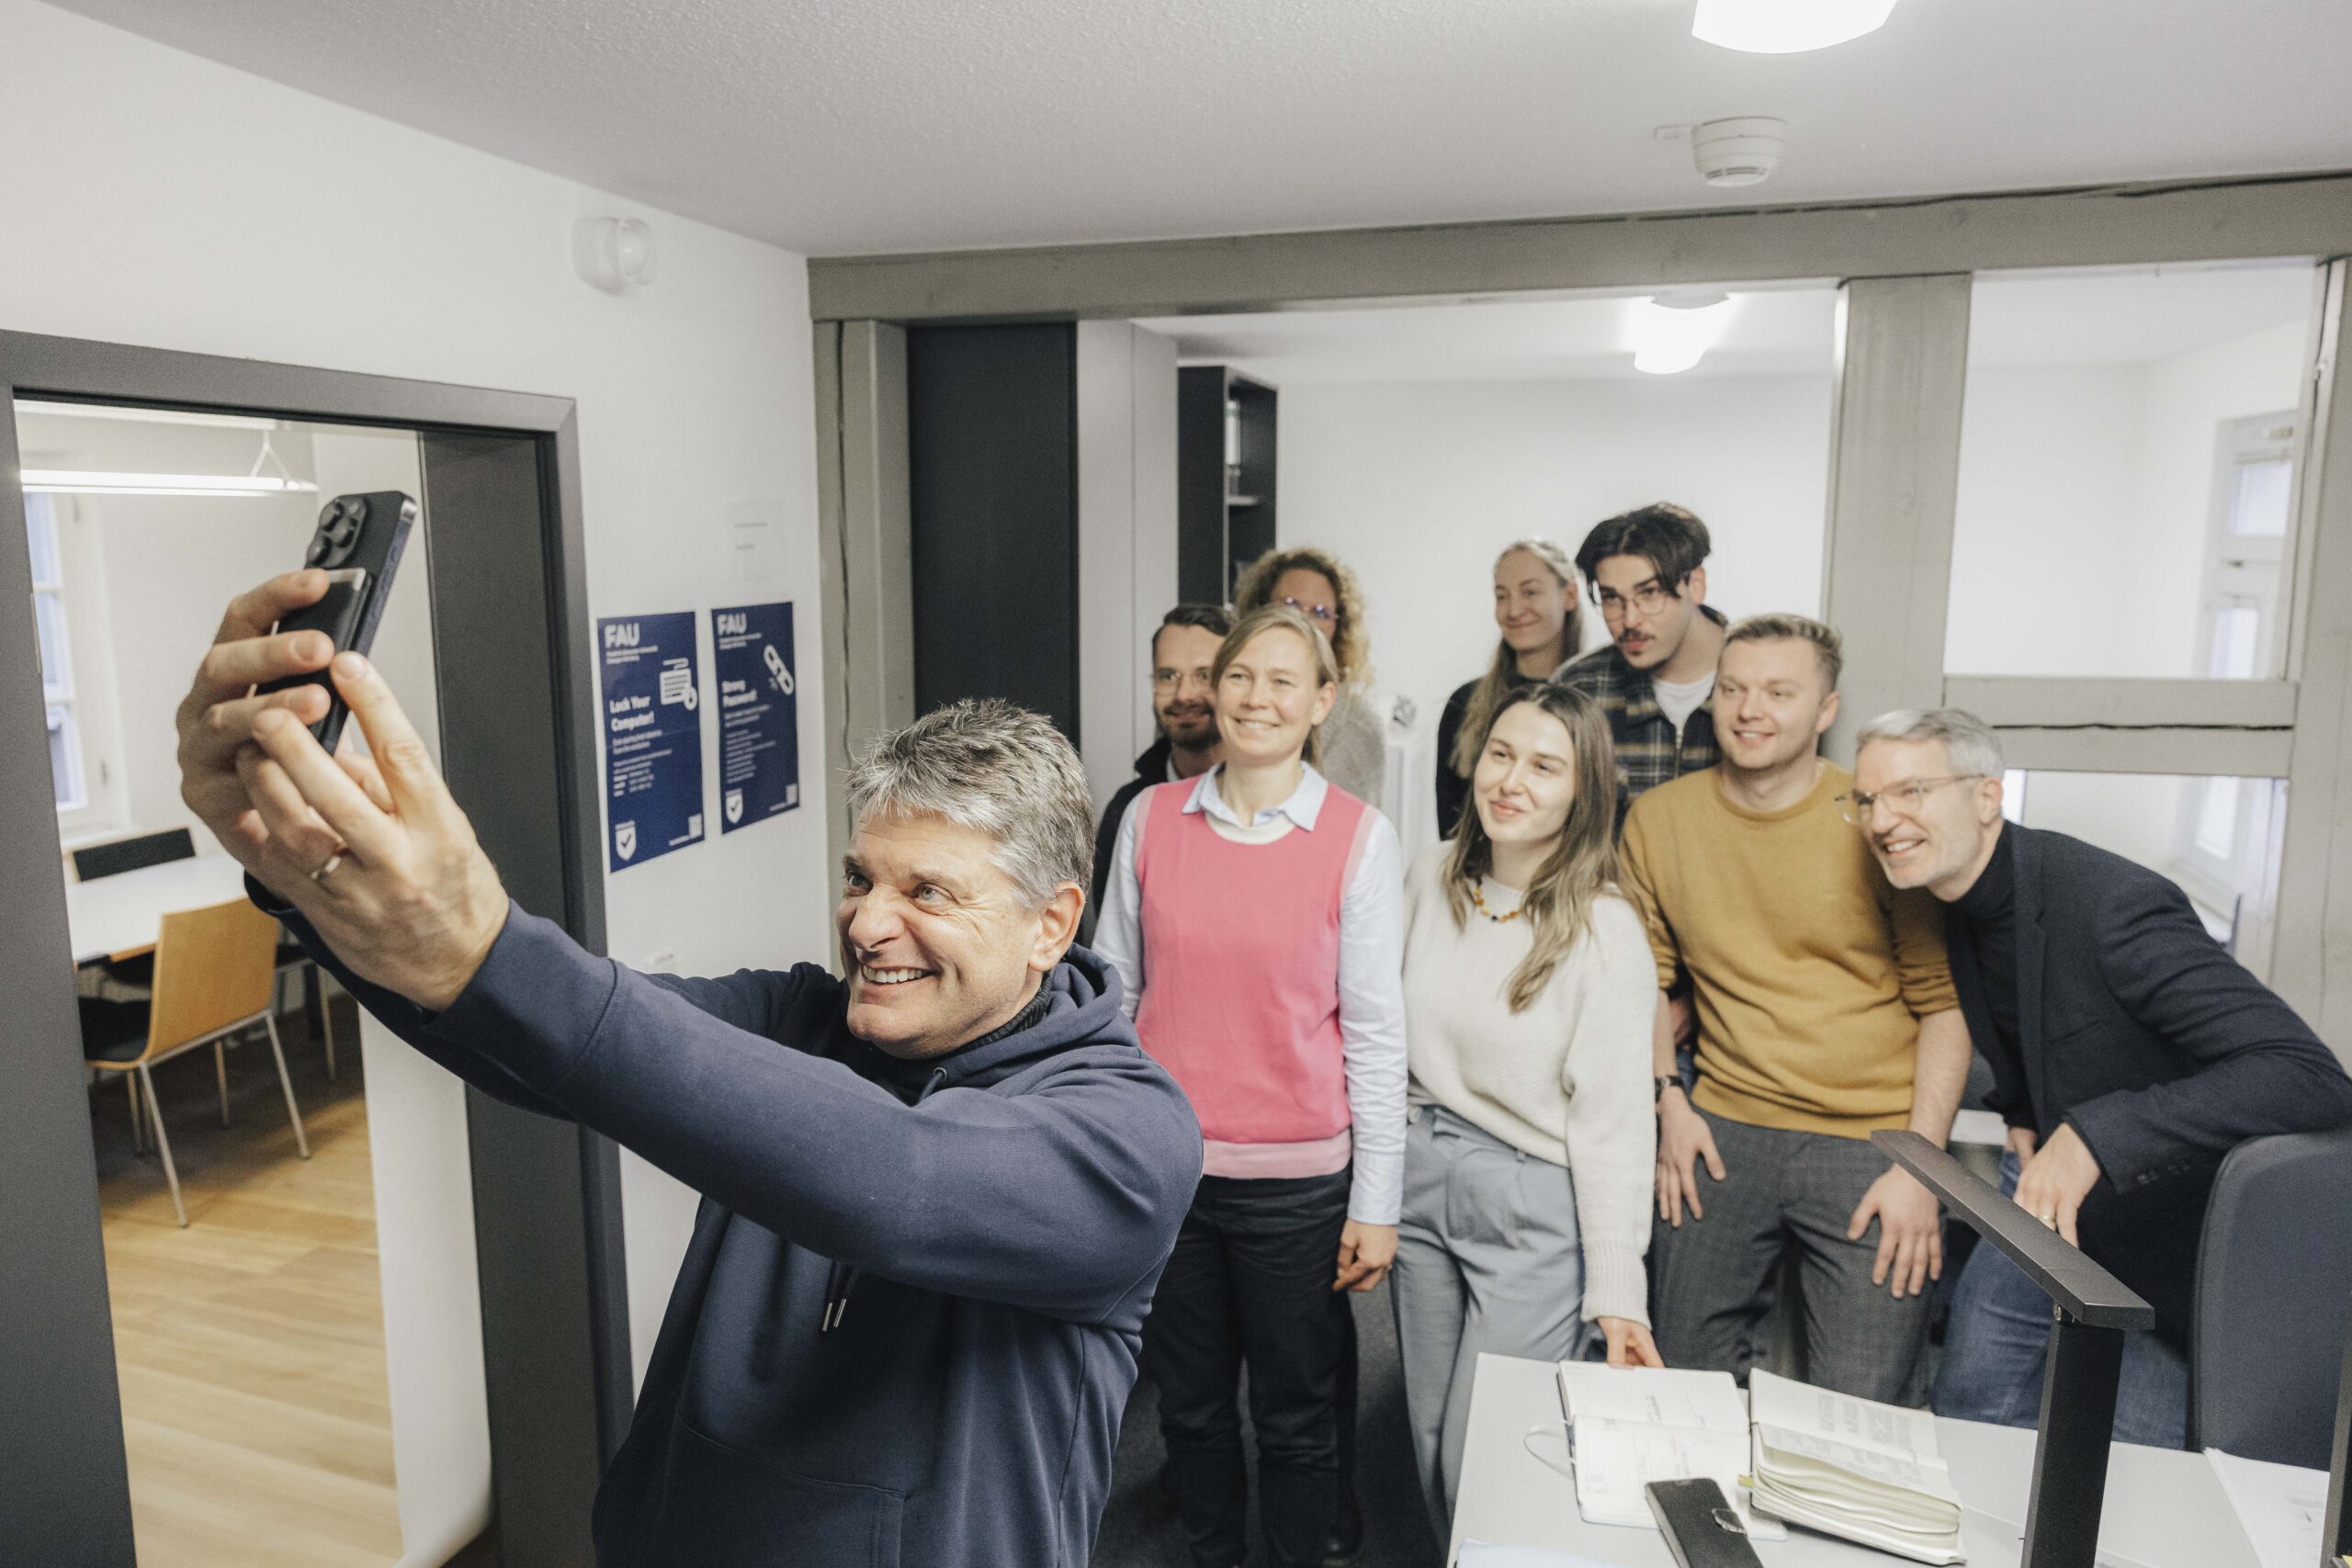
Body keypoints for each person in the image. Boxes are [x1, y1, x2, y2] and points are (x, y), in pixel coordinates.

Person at [175, 571, 1204, 1568]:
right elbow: (541, 1042)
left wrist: (485, 944)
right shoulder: (798, 1016)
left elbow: (896, 1180)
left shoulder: (1124, 1132)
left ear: (1051, 924)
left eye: (927, 891)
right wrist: (301, 878)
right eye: (859, 877)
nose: (866, 922)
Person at [1852, 707, 2352, 1446]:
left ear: (1987, 796)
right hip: (2051, 1214)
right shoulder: (1955, 892)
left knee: (2132, 1482)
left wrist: (2092, 1135)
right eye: (1864, 799)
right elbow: (2028, 1018)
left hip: (2171, 1257)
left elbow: (2312, 1075)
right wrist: (2024, 1107)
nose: (1881, 819)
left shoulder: (2113, 904)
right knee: (1968, 1416)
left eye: (1909, 792)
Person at [1094, 603, 1407, 1568]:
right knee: (1187, 1409)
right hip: (1171, 1176)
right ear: (1210, 690)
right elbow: (1113, 998)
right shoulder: (1150, 819)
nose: (1254, 697)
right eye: (1238, 677)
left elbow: (1375, 1031)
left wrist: (1378, 1203)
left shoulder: (1357, 838)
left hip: (1298, 1188)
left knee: (1297, 1414)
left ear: (1321, 702)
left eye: (1282, 680)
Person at [1625, 615, 1967, 1405]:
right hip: (1719, 1126)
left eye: (1780, 692)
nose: (1751, 709)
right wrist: (1666, 1098)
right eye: (1734, 689)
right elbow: (1639, 979)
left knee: (1864, 1406)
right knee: (1679, 1384)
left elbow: (1946, 1007)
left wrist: (1923, 1166)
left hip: (1872, 1142)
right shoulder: (1658, 819)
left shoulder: (1878, 820)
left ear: (1825, 710)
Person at [1391, 681, 1659, 1539]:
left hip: (1533, 1202)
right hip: (1422, 1174)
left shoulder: (1606, 928)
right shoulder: (1431, 873)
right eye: (1502, 754)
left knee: (1485, 1452)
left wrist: (1619, 1291)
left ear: (1585, 793)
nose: (1512, 780)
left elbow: (1616, 1120)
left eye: (1546, 766)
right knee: (1428, 1439)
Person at [1557, 502, 1727, 818]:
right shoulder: (1580, 689)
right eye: (1611, 598)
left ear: (1696, 585)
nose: (1630, 619)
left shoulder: (1760, 680)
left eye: (1649, 593)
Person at [1084, 603, 1232, 944]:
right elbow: (1117, 953)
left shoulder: (1268, 801)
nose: (1183, 694)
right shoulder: (1128, 809)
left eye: (1203, 676)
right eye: (1168, 676)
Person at [1434, 538, 1582, 840]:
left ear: (1569, 595)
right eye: (1502, 596)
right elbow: (1452, 832)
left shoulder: (1596, 702)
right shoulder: (1465, 704)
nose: (1513, 610)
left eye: (1530, 592)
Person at [1234, 546, 1388, 814]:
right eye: (1289, 604)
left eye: (1320, 613)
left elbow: (1361, 839)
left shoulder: (1361, 726)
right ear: (1260, 609)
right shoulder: (1230, 701)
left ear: (1339, 628)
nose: (1302, 620)